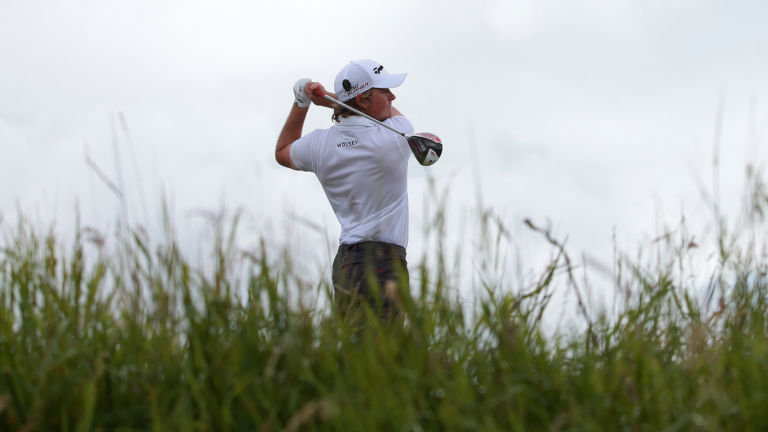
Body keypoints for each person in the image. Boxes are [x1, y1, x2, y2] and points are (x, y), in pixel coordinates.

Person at [275, 59, 414, 318]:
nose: (392, 96)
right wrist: (328, 98)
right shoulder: (396, 136)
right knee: (385, 354)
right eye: (385, 92)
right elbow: (394, 116)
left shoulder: (319, 144)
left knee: (353, 351)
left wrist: (302, 102)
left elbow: (283, 151)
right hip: (386, 263)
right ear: (362, 101)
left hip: (348, 264)